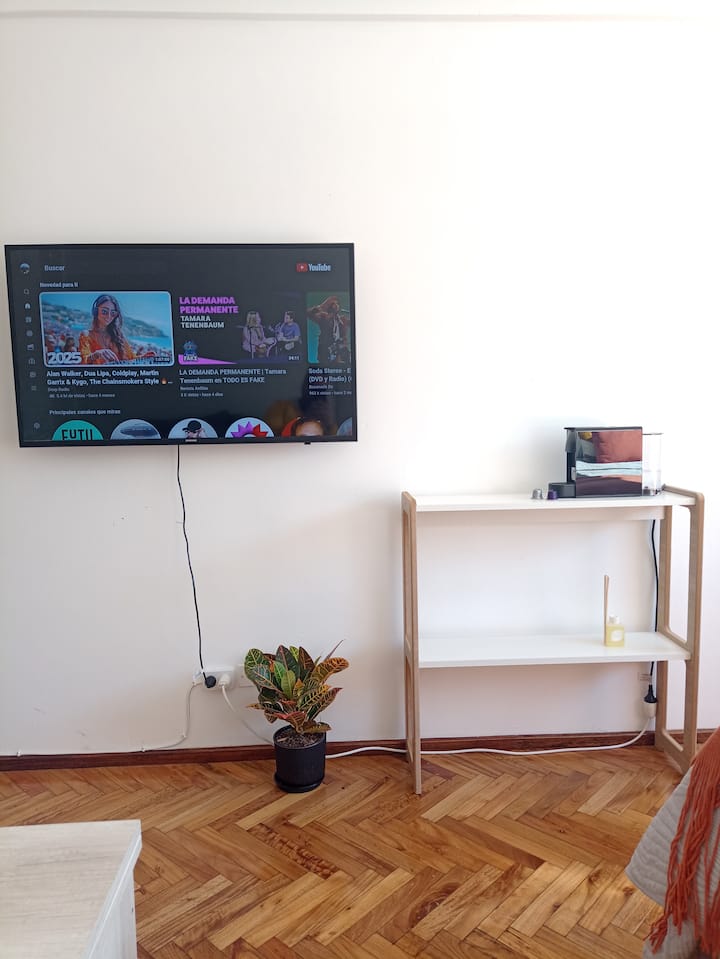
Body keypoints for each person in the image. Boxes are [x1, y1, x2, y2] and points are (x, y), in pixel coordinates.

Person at [79, 294, 136, 365]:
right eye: (104, 311)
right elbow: (84, 361)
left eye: (113, 313)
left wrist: (146, 355)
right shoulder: (86, 335)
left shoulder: (119, 336)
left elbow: (132, 358)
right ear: (96, 311)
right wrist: (96, 355)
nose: (109, 316)